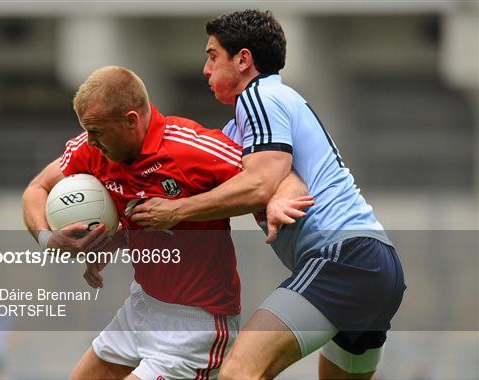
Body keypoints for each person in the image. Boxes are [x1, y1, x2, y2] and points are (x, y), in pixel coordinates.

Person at [130, 9, 406, 380]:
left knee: (239, 372)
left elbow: (261, 181)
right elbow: (272, 177)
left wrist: (176, 211)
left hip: (343, 257)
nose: (205, 70)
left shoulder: (259, 96)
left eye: (213, 56)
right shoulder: (247, 122)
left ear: (243, 60)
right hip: (377, 262)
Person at [22, 66, 313, 380]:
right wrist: (49, 239)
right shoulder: (92, 150)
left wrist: (285, 195)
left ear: (131, 120)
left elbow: (274, 176)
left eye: (97, 131)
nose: (89, 142)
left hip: (196, 325)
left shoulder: (190, 148)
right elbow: (37, 189)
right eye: (86, 130)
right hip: (143, 305)